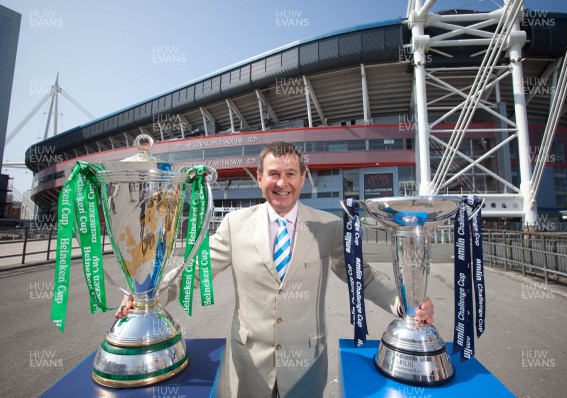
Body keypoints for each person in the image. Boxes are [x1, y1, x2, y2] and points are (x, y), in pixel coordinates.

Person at [117, 142, 434, 397]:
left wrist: (406, 304)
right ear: (259, 178)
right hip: (249, 365)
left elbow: (362, 277)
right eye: (273, 174)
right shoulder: (234, 224)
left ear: (303, 177)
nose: (282, 183)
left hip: (307, 366)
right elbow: (195, 272)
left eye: (291, 174)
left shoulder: (329, 226)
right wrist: (147, 297)